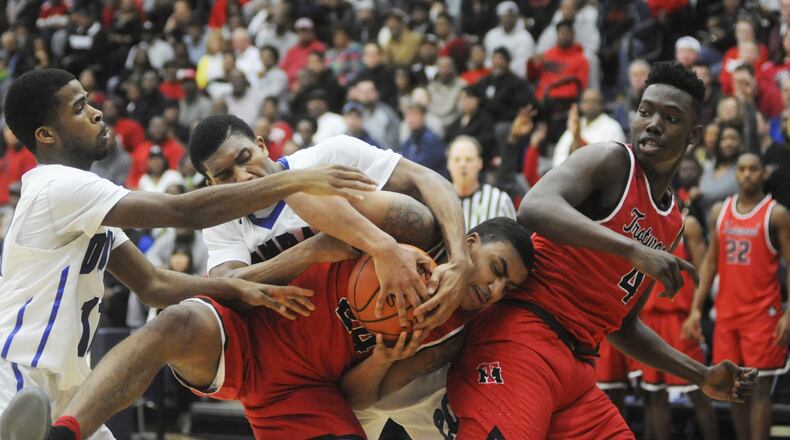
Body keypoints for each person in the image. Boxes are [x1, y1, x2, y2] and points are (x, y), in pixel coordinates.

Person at [0, 68, 376, 439]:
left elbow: (153, 284)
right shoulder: (56, 187)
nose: (97, 111)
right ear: (45, 134)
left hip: (67, 384)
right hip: (19, 374)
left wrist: (237, 288)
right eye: (79, 107)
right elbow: (184, 211)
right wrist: (292, 178)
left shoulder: (83, 204)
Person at [7, 207, 532, 440]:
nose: (494, 290)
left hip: (305, 392)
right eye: (496, 270)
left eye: (507, 289)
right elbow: (320, 202)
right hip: (250, 330)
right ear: (468, 246)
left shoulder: (449, 338)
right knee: (174, 324)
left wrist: (382, 357)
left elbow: (356, 397)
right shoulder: (409, 227)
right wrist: (373, 244)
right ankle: (63, 433)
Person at [445, 61, 758, 439]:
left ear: (692, 136)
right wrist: (631, 250)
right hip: (522, 338)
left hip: (577, 366)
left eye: (670, 118)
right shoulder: (611, 160)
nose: (653, 123)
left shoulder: (672, 222)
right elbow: (534, 206)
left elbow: (623, 326)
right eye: (645, 111)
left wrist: (700, 374)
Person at [682, 153, 790, 440]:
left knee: (760, 391)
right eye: (741, 169)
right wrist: (696, 308)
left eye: (752, 169)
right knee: (734, 389)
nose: (746, 175)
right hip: (726, 314)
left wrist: (789, 313)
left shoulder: (776, 214)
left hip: (762, 315)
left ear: (762, 173)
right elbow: (710, 262)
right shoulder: (720, 211)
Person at [637, 214, 718, 440]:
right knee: (653, 394)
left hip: (679, 318)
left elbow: (703, 271)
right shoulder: (637, 221)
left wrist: (695, 311)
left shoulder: (687, 224)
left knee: (698, 389)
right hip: (645, 316)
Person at [446, 136, 516, 231]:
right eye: (457, 160)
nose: (462, 164)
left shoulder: (499, 200)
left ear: (480, 163)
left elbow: (514, 242)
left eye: (469, 159)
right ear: (448, 164)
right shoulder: (436, 201)